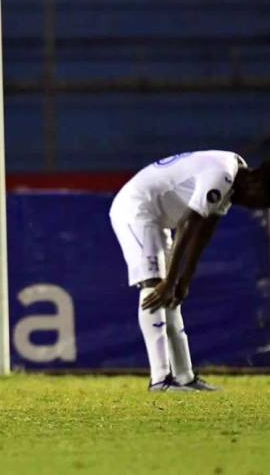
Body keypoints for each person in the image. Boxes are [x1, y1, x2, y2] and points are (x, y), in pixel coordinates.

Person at [109, 151, 269, 391]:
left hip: (156, 216)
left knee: (170, 296)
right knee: (154, 285)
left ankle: (184, 377)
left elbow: (204, 231)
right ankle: (161, 380)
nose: (255, 206)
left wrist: (183, 280)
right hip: (136, 208)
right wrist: (171, 280)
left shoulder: (234, 177)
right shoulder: (223, 175)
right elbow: (187, 223)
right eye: (261, 199)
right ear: (255, 181)